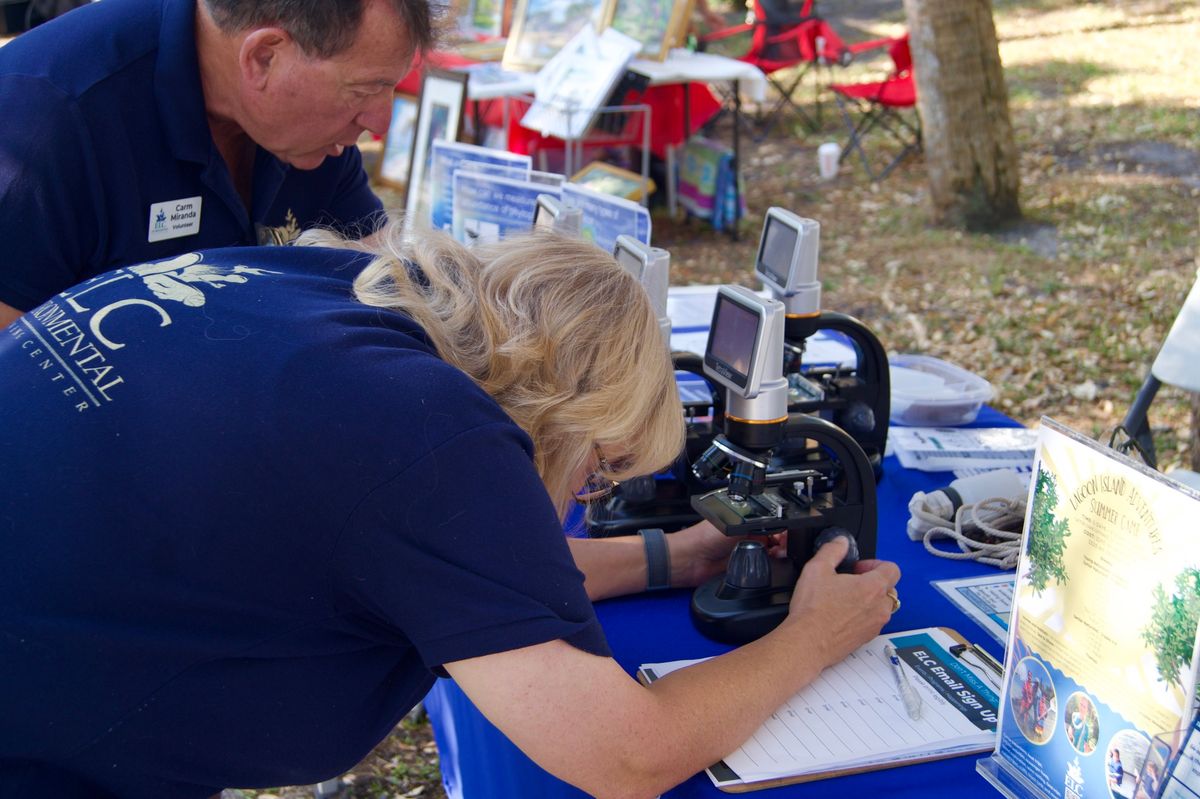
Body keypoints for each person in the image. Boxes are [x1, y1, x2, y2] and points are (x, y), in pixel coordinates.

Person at [0, 225, 901, 798]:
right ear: (563, 412)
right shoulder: (434, 435)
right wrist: (815, 635)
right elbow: (625, 755)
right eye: (597, 467)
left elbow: (464, 582)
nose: (585, 497)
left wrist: (678, 557)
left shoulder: (315, 286)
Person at [0, 0, 435, 327]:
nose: (380, 123)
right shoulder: (46, 124)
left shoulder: (312, 130)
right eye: (364, 91)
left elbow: (386, 283)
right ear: (264, 57)